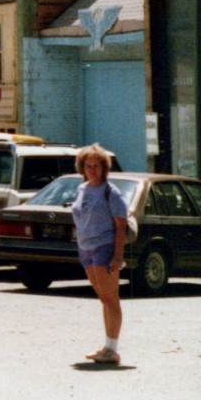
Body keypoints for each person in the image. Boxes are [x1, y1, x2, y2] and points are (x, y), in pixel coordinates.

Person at [71, 144, 129, 365]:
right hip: (85, 248)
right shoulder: (82, 189)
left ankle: (112, 349)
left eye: (96, 166)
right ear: (82, 167)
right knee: (103, 298)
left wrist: (117, 255)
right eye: (88, 165)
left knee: (110, 297)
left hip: (104, 247)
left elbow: (121, 224)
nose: (92, 169)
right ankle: (107, 346)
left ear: (104, 168)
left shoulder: (110, 191)